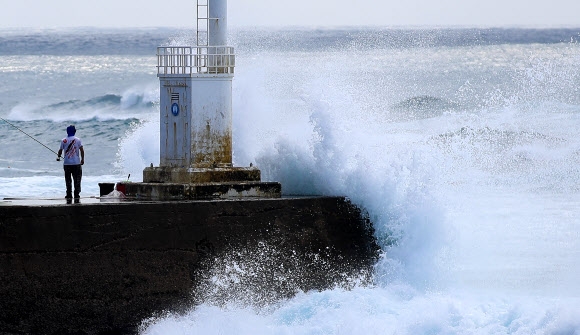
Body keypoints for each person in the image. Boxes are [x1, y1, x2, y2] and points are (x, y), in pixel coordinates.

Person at [57, 125, 85, 199]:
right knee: (77, 179)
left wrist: (58, 157)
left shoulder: (63, 140)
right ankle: (77, 194)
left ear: (67, 131)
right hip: (76, 163)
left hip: (67, 163)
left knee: (68, 179)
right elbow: (82, 150)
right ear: (75, 131)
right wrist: (82, 159)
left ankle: (69, 194)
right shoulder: (78, 140)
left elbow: (60, 150)